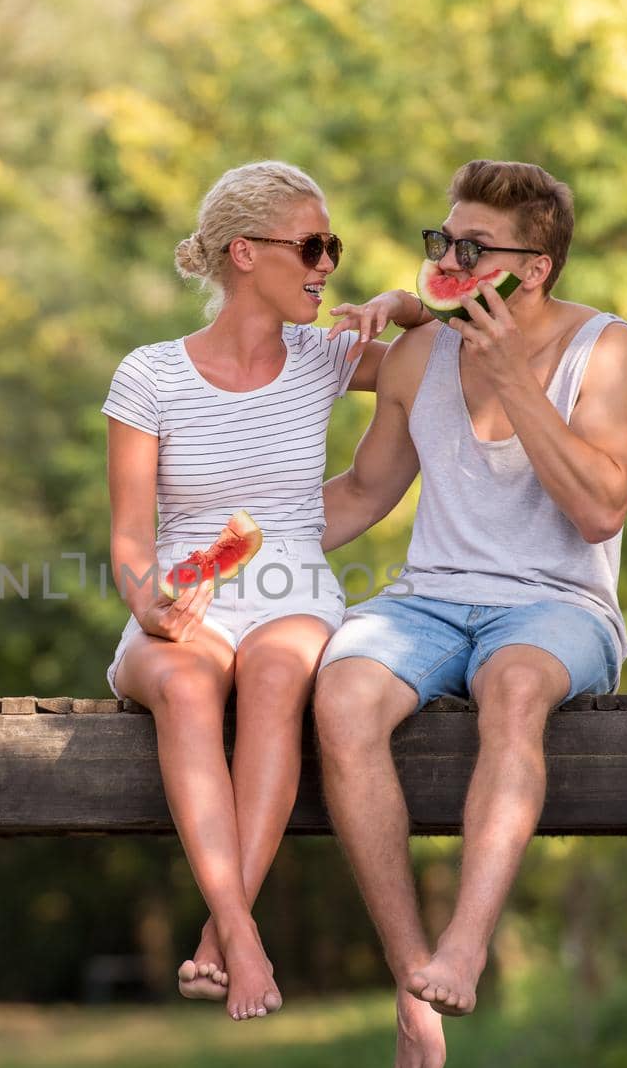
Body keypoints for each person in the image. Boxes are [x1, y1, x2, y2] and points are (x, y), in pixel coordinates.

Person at [315, 159, 627, 1068]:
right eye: (442, 243)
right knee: (339, 694)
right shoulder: (423, 355)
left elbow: (599, 514)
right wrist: (221, 535)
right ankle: (411, 976)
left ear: (532, 268)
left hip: (556, 605)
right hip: (426, 601)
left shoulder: (607, 350)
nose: (447, 260)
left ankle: (466, 940)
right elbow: (365, 493)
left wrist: (513, 379)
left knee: (513, 688)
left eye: (472, 249)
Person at [102, 160, 425, 1021]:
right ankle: (243, 938)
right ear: (244, 253)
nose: (327, 266)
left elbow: (449, 349)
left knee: (280, 678)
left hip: (292, 588)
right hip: (184, 594)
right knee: (182, 683)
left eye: (334, 247)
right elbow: (132, 537)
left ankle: (222, 935)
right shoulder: (149, 375)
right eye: (312, 246)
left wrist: (405, 305)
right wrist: (149, 603)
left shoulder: (327, 355)